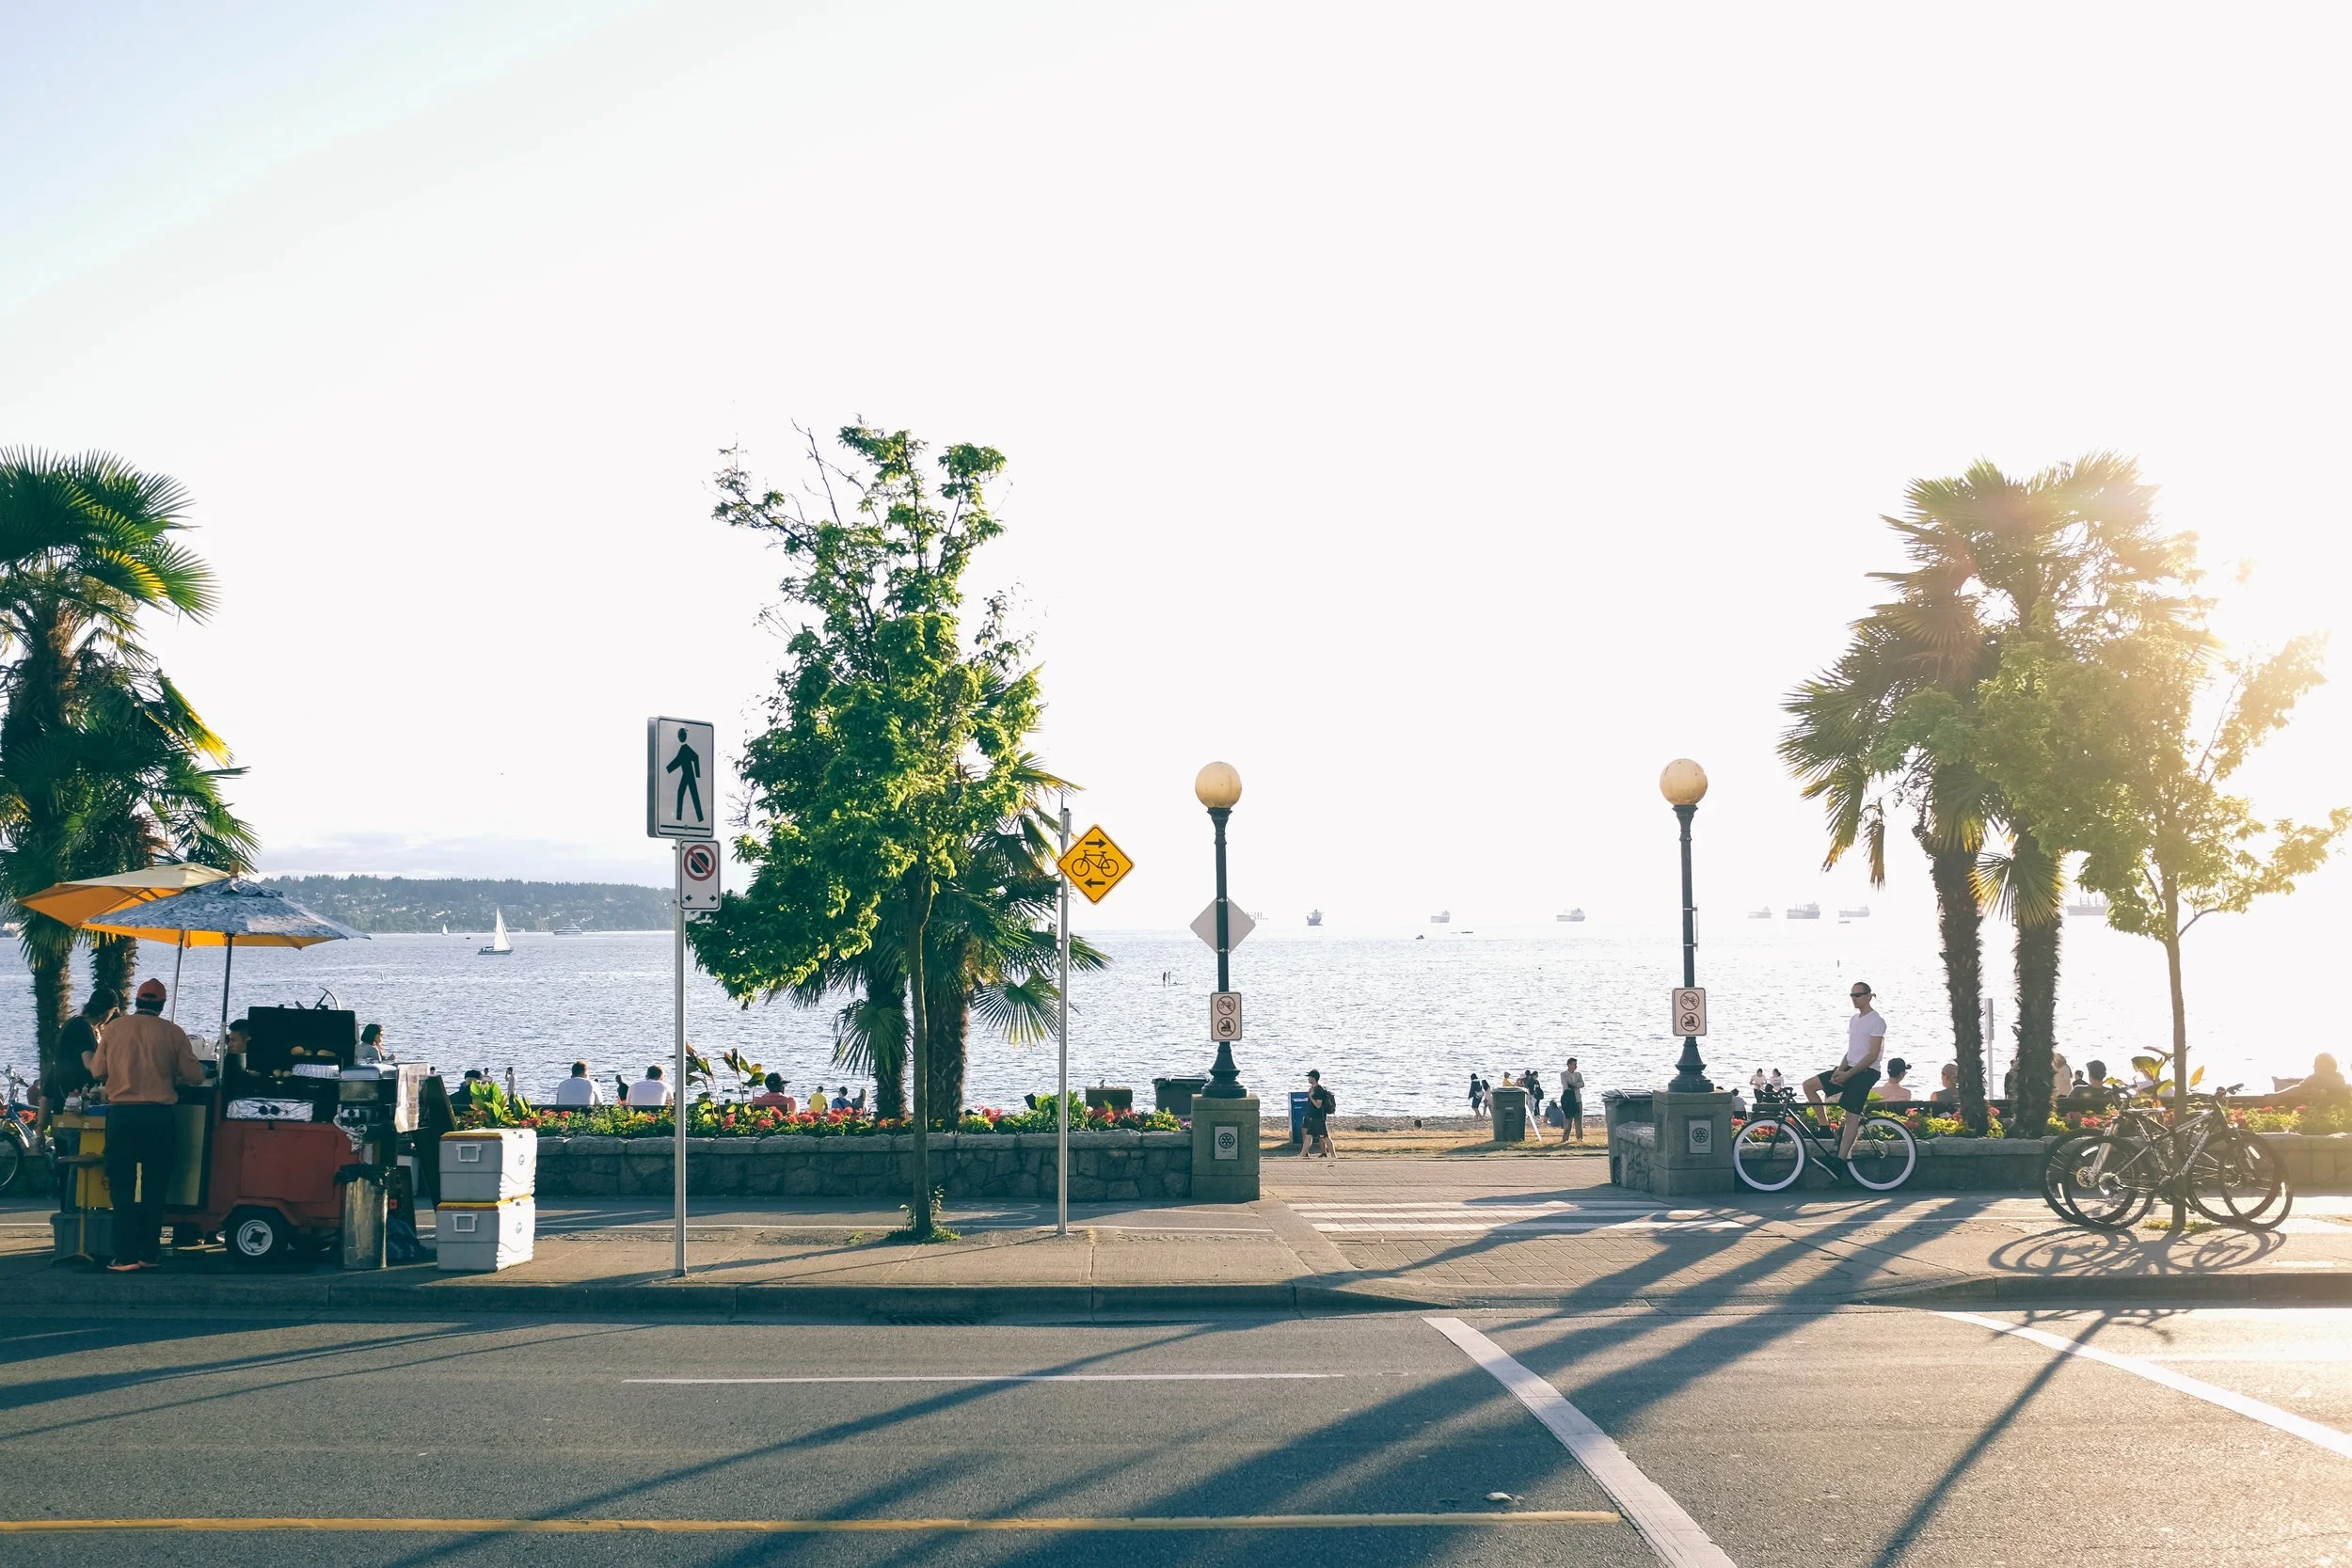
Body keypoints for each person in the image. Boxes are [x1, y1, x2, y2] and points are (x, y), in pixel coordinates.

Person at [84, 979, 202, 1272]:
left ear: (137, 1001)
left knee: (122, 1188)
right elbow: (195, 1076)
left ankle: (124, 1256)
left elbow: (98, 1070)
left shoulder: (113, 1029)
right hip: (158, 1117)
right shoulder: (173, 1032)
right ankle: (150, 1254)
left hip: (122, 1116)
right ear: (161, 1005)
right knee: (155, 1186)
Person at [1804, 981, 1885, 1161]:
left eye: (1857, 995)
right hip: (1849, 1068)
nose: (1854, 999)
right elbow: (1852, 1050)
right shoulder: (1854, 1020)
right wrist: (1839, 1070)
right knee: (1809, 1086)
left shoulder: (1877, 1021)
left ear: (1868, 996)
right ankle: (1824, 1129)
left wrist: (1848, 1075)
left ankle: (1840, 1161)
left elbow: (1872, 1055)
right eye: (1852, 995)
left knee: (1851, 1116)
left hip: (1867, 1072)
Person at [47, 987, 117, 1127]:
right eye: (114, 1011)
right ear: (106, 1012)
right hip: (75, 1106)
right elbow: (90, 1064)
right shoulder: (83, 1027)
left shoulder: (74, 1024)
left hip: (67, 1102)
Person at [1302, 1069, 1336, 1158]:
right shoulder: (1313, 1089)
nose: (1308, 1079)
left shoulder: (1319, 1090)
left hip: (1319, 1118)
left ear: (1313, 1078)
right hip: (1312, 1118)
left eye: (1309, 1077)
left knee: (1325, 1137)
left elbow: (1318, 1105)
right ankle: (1302, 1155)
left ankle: (1333, 1155)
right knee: (1308, 1136)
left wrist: (1311, 1097)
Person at [1560, 1058, 1586, 1143]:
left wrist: (1574, 1085)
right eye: (1574, 1064)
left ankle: (1579, 1138)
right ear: (1569, 1065)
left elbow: (1582, 1084)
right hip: (1568, 1100)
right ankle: (1565, 1139)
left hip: (1577, 1099)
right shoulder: (1563, 1074)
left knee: (1578, 1120)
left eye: (1576, 1064)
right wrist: (1575, 1085)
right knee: (1568, 1120)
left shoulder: (1578, 1074)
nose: (1575, 1066)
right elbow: (1566, 1085)